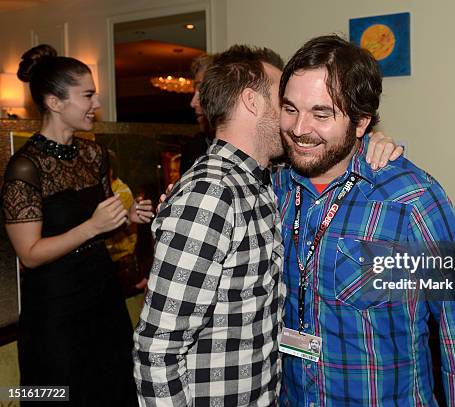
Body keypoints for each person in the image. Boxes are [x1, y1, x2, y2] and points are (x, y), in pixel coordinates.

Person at [273, 35, 455, 406]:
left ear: (360, 122)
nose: (300, 128)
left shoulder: (410, 199)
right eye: (290, 109)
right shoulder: (274, 191)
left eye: (321, 114)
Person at [133, 45, 287, 406]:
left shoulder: (256, 180)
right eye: (284, 100)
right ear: (252, 101)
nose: (292, 114)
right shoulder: (212, 193)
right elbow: (157, 350)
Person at [0, 44, 154, 405]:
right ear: (54, 102)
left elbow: (100, 224)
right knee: (56, 394)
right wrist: (94, 226)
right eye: (86, 95)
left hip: (103, 298)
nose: (95, 103)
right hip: (54, 312)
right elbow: (30, 254)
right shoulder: (25, 168)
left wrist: (125, 219)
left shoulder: (94, 155)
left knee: (115, 387)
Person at [105, 149, 140, 296]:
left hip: (123, 262)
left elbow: (107, 225)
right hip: (111, 260)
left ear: (110, 169)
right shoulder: (107, 191)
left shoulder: (122, 193)